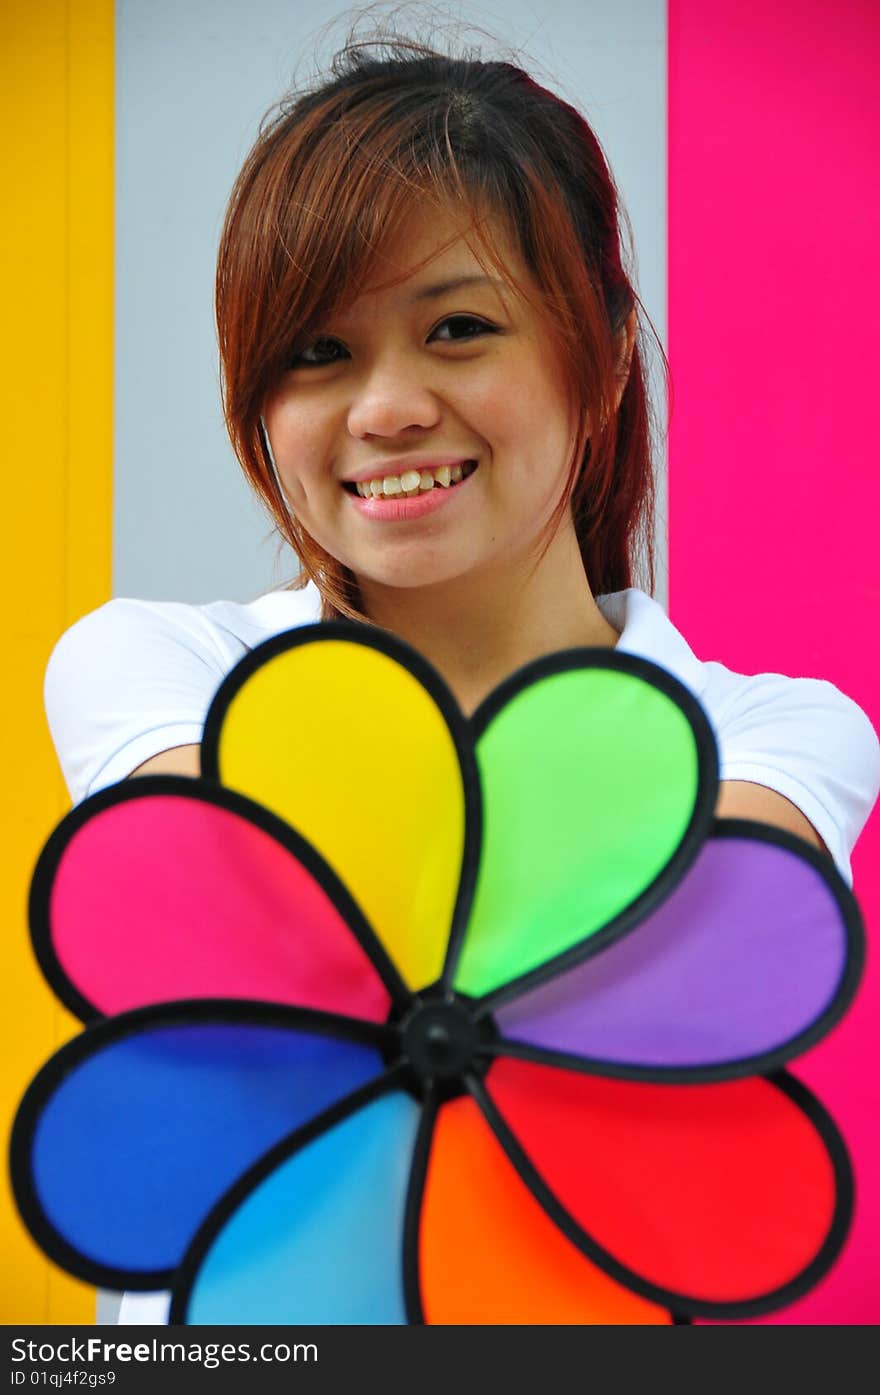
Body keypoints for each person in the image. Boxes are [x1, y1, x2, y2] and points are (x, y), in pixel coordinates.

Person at [43, 34, 880, 1326]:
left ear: (599, 356)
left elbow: (645, 982)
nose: (386, 407)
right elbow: (256, 919)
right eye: (318, 351)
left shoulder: (778, 735)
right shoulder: (151, 666)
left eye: (459, 328)